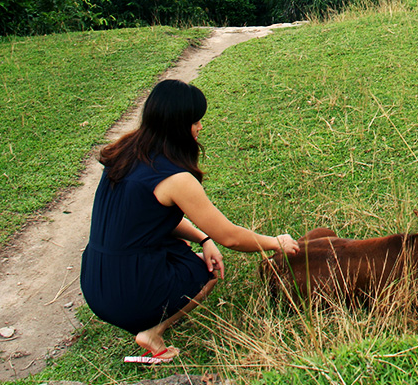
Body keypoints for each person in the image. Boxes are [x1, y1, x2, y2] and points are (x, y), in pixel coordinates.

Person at [80, 79, 298, 362]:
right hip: (127, 292)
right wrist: (275, 243)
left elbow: (147, 221)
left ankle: (148, 306)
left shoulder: (123, 152)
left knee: (183, 245)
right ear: (178, 125)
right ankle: (152, 331)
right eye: (195, 121)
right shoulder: (176, 179)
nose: (200, 127)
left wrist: (203, 239)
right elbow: (229, 236)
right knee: (208, 271)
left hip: (95, 282)